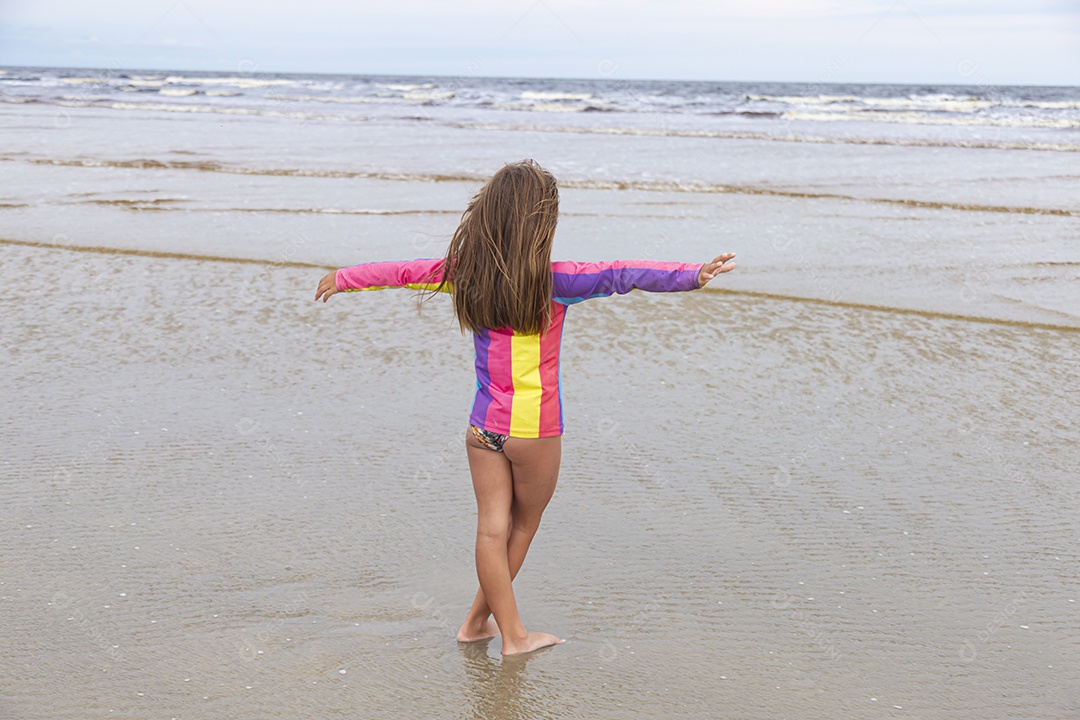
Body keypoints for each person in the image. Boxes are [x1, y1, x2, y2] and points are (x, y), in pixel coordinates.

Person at [314, 159, 736, 655]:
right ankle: (514, 635)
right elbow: (623, 275)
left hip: (482, 428)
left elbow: (400, 272)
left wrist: (343, 278)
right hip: (533, 432)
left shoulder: (461, 274)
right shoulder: (557, 280)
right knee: (521, 527)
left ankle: (476, 623)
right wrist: (692, 275)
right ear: (541, 225)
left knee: (491, 530)